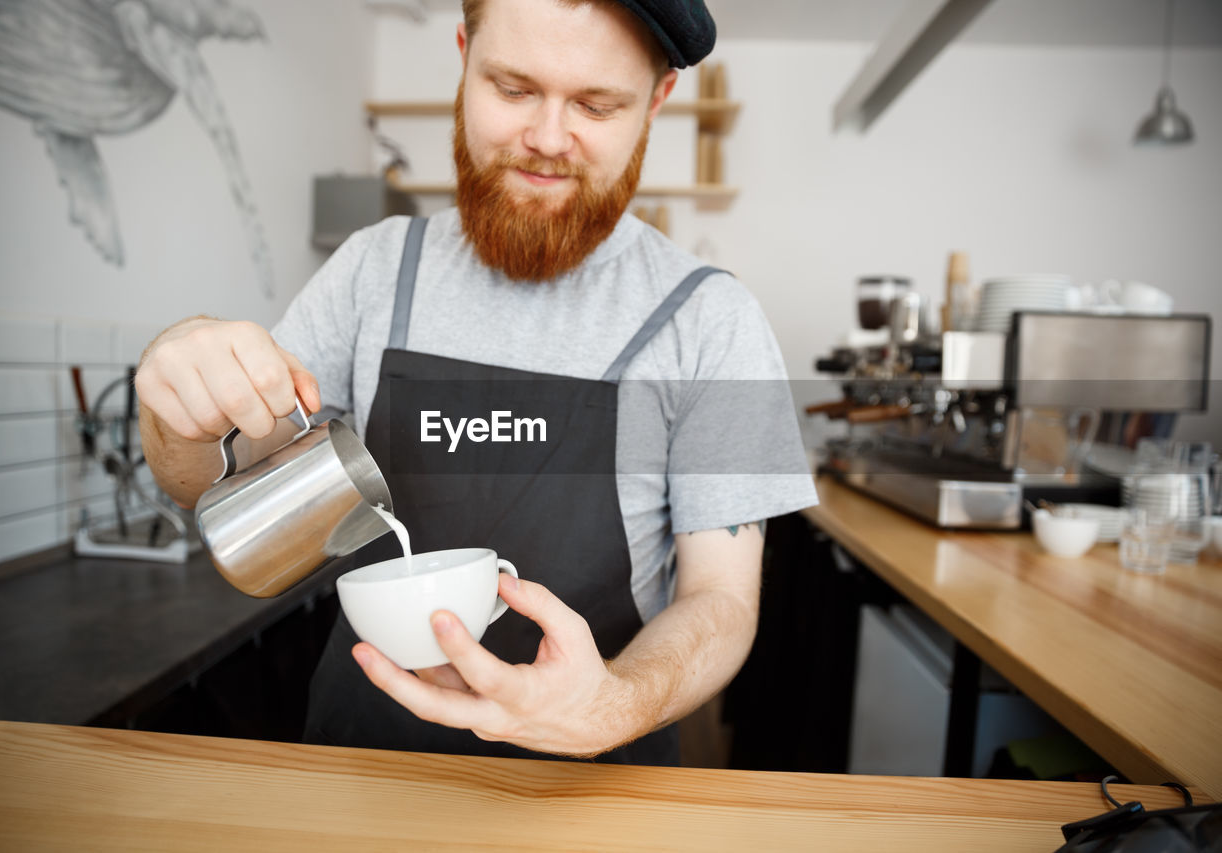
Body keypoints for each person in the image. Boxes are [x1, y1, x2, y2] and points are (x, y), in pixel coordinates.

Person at [136, 0, 816, 765]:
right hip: (364, 770)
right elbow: (210, 489)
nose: (549, 139)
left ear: (656, 101)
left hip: (593, 794)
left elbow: (721, 601)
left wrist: (616, 701)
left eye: (596, 104)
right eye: (514, 88)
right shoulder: (373, 271)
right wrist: (173, 408)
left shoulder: (714, 320)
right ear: (463, 58)